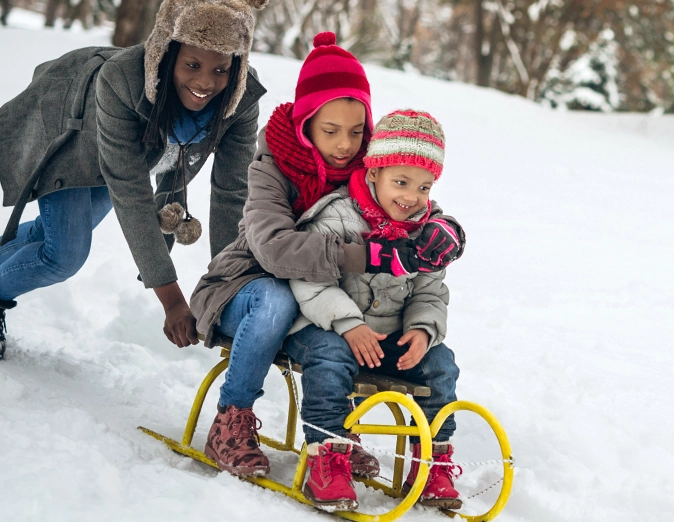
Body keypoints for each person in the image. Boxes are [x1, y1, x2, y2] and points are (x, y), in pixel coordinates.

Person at [187, 35, 466, 479]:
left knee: (358, 336)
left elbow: (408, 191)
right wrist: (373, 256)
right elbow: (277, 249)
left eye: (357, 132)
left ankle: (349, 435)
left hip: (319, 304)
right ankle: (231, 418)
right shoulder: (271, 166)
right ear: (305, 123)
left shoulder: (368, 166)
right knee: (278, 298)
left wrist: (444, 228)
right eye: (331, 131)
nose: (344, 145)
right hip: (248, 289)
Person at [0, 0, 271, 360]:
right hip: (70, 135)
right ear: (167, 56)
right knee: (64, 253)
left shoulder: (239, 99)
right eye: (192, 65)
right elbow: (131, 192)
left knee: (53, 234)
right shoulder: (122, 80)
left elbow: (231, 194)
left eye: (221, 69)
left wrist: (226, 288)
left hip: (122, 152)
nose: (206, 81)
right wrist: (172, 299)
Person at [283, 109, 464, 511]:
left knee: (441, 365)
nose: (411, 197)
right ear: (373, 173)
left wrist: (421, 330)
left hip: (388, 336)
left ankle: (430, 459)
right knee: (329, 359)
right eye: (400, 182)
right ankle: (327, 456)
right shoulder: (335, 217)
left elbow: (431, 291)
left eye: (423, 187)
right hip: (325, 327)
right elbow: (310, 278)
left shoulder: (427, 233)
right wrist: (348, 324)